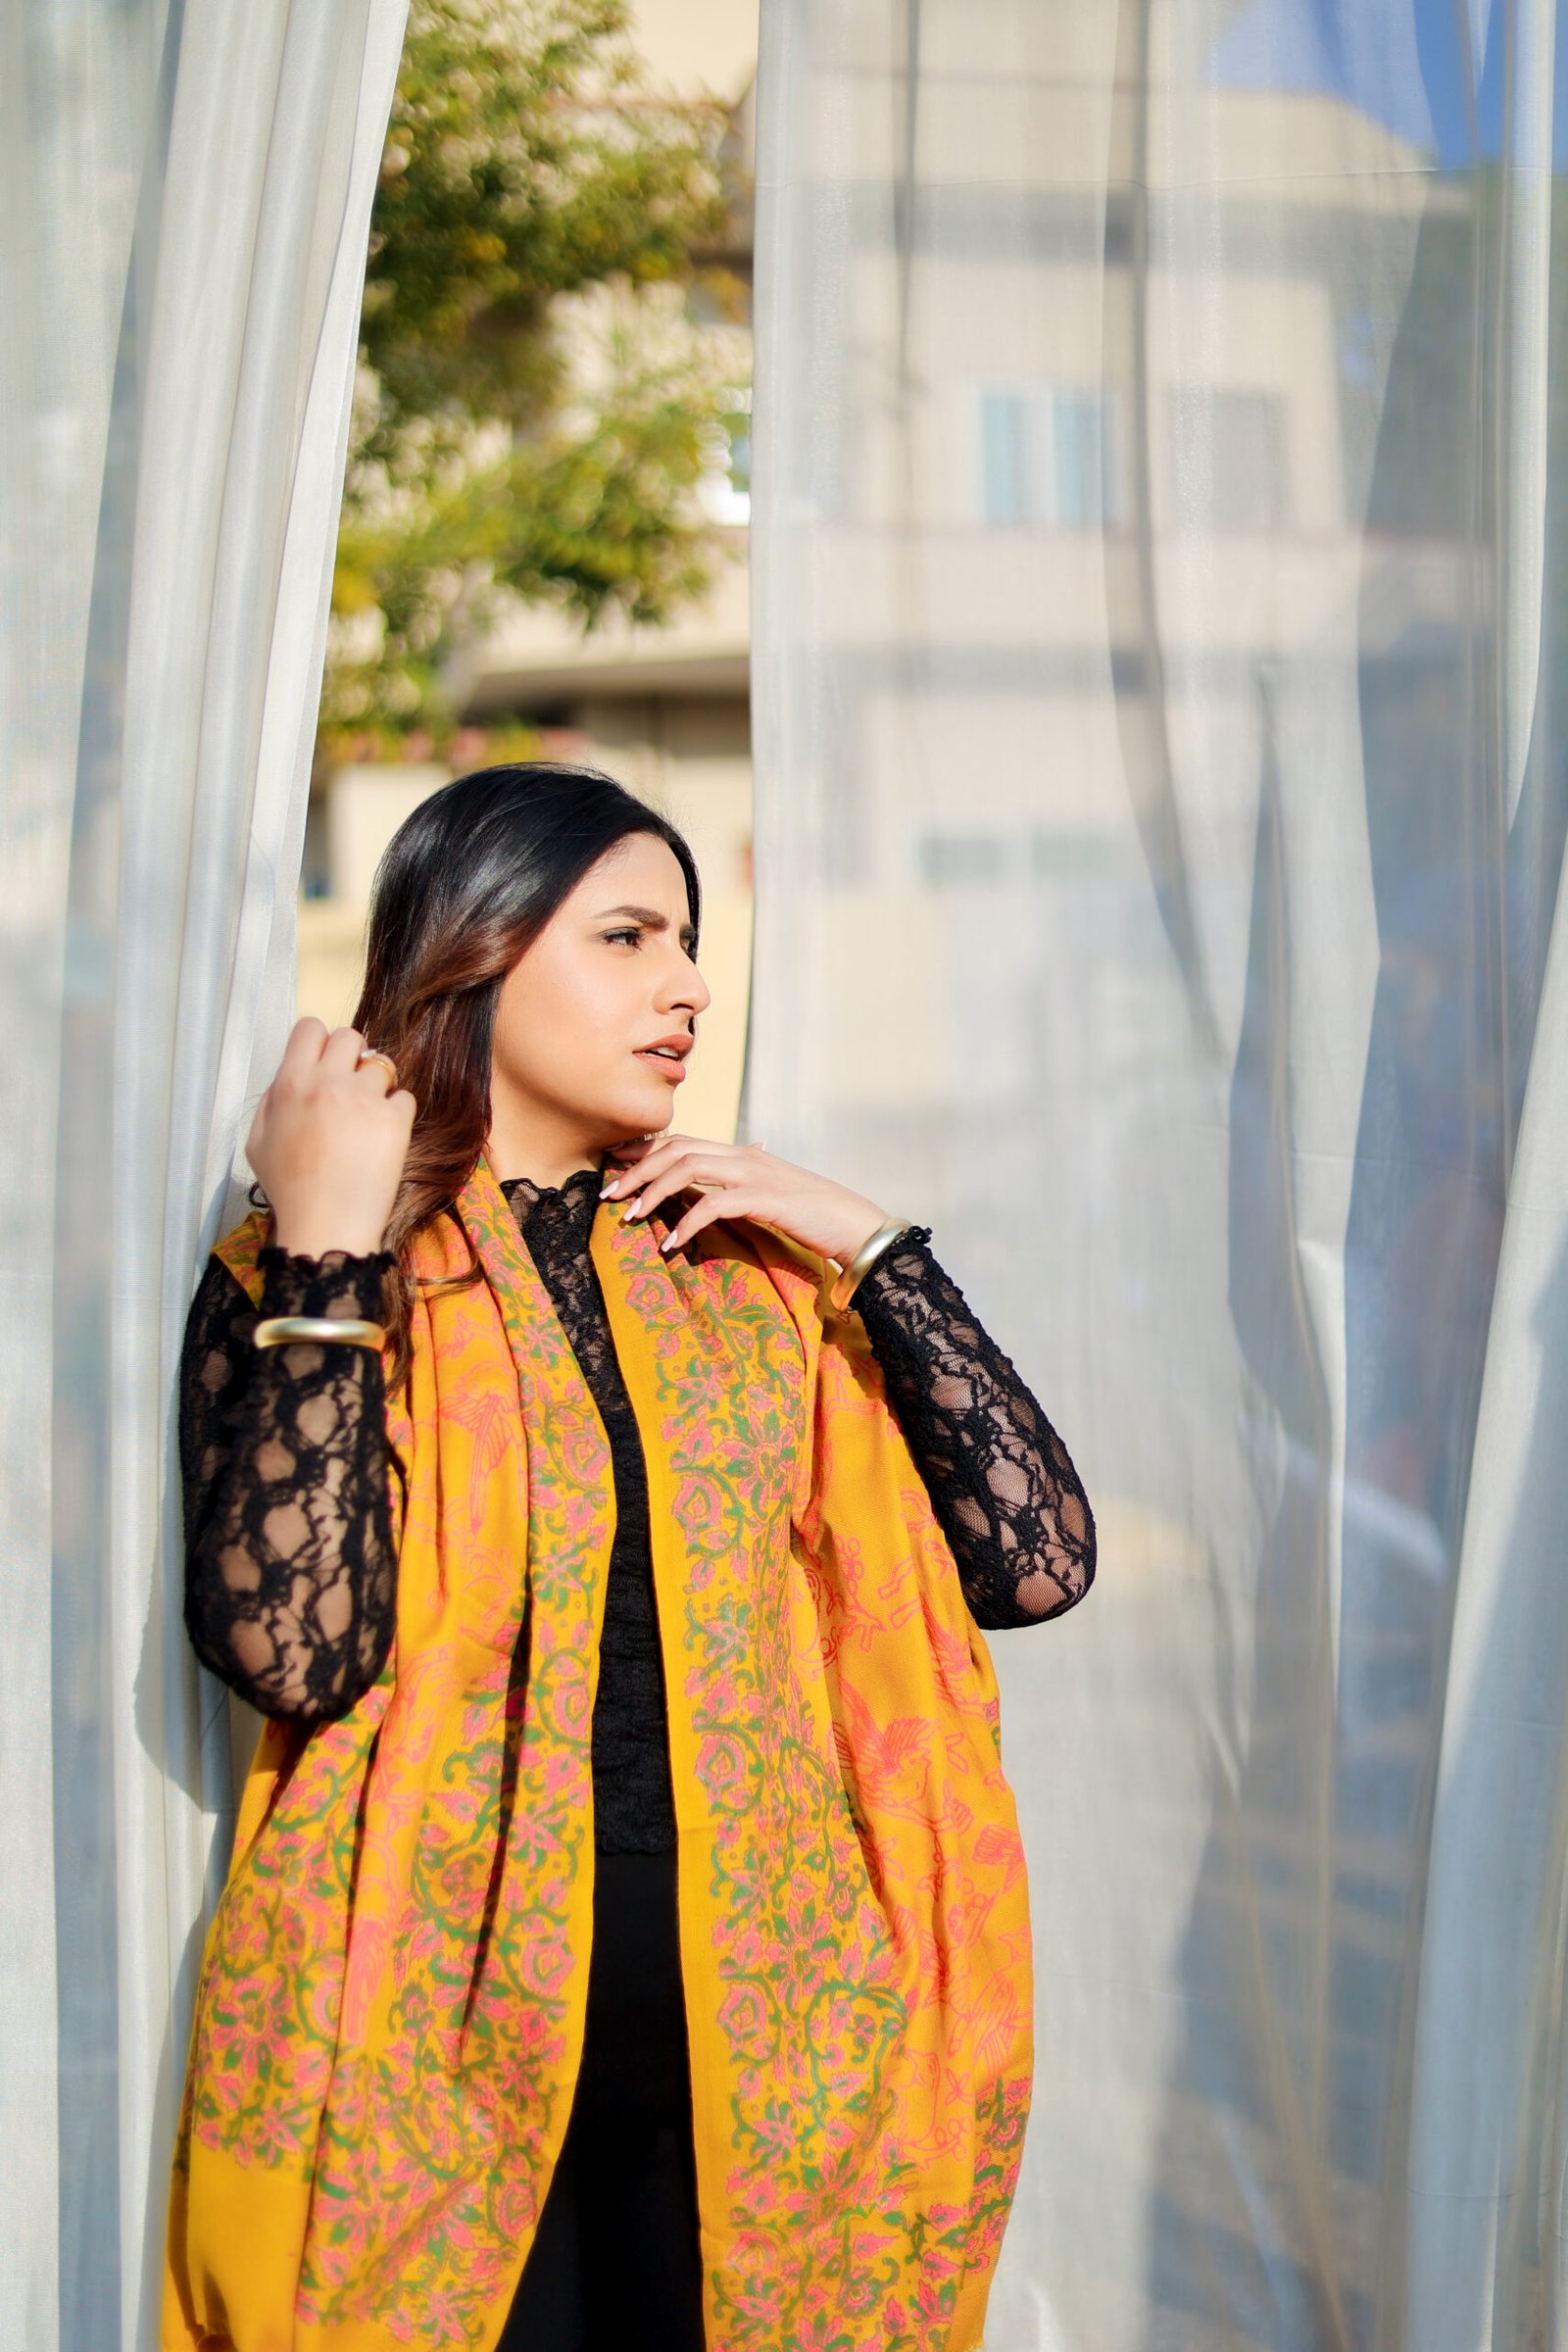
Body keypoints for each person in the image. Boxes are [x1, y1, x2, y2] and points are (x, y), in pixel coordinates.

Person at [162, 762, 1096, 2352]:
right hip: (422, 2060)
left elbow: (1038, 1563)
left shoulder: (749, 1276)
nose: (690, 987)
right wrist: (329, 1247)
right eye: (629, 937)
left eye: (690, 942)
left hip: (771, 2053)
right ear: (479, 945)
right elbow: (294, 1653)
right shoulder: (319, 1264)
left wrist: (870, 1245)